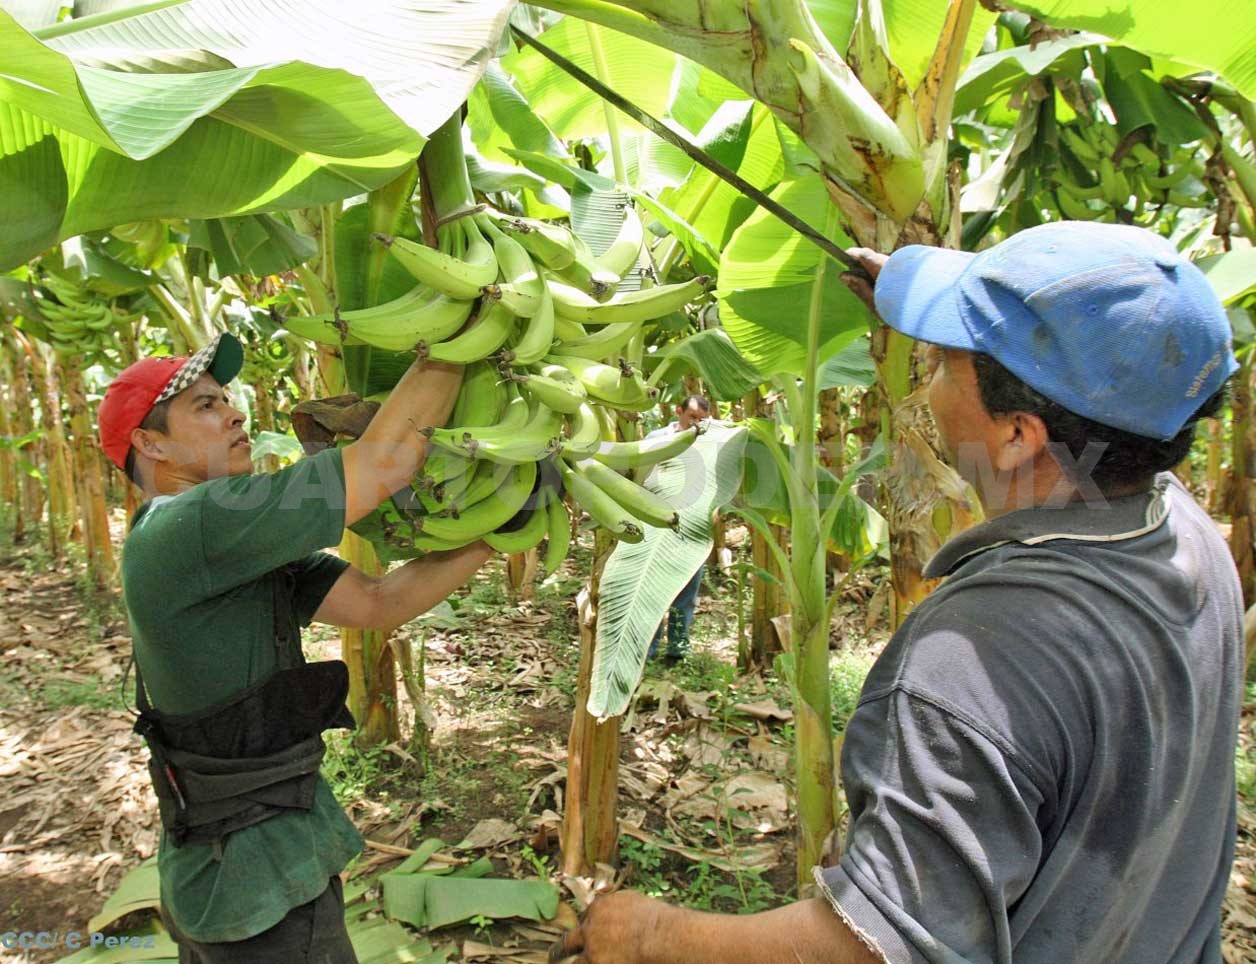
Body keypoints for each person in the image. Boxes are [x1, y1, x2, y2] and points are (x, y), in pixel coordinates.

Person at [552, 221, 1243, 964]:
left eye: (943, 363)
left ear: (1017, 436)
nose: (925, 383)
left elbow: (876, 949)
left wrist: (654, 937)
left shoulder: (980, 659)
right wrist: (921, 301)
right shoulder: (1186, 534)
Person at [98, 335, 495, 962]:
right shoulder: (189, 524)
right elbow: (384, 464)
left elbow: (375, 602)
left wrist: (495, 535)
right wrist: (459, 340)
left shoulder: (229, 546)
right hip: (255, 890)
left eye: (228, 399)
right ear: (150, 444)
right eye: (205, 405)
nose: (234, 414)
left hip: (250, 864)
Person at [645, 395, 711, 661]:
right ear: (679, 411)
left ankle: (677, 650)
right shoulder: (656, 438)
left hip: (692, 525)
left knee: (686, 593)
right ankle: (647, 651)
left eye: (701, 419)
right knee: (651, 592)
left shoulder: (707, 443)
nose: (695, 423)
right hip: (656, 521)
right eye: (691, 417)